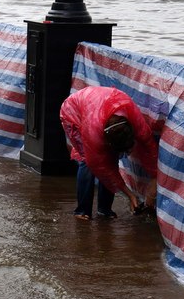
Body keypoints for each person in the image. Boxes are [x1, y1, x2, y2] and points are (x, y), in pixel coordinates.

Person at [60, 86, 158, 221]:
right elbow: (101, 167)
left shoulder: (134, 119)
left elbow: (149, 145)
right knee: (87, 163)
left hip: (100, 104)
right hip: (74, 110)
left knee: (111, 159)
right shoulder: (93, 132)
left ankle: (104, 209)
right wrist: (130, 195)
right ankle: (82, 210)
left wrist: (155, 177)